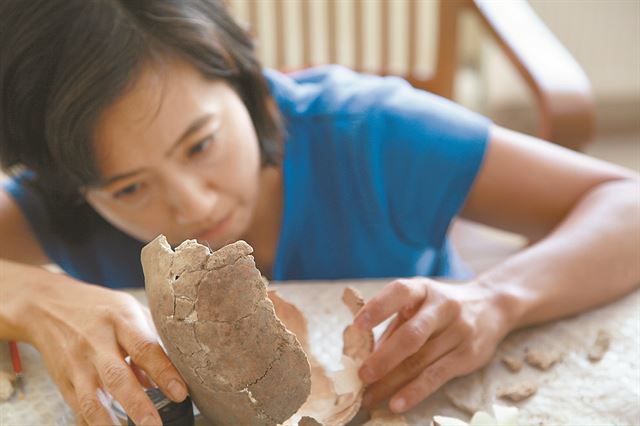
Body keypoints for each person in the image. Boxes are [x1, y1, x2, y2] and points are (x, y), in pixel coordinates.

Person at [0, 0, 637, 424]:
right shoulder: (62, 207)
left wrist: (499, 299)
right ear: (74, 189)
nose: (192, 205)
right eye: (128, 188)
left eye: (200, 144)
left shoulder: (374, 137)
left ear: (241, 81)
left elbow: (627, 203)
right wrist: (29, 296)